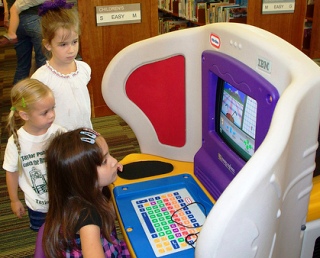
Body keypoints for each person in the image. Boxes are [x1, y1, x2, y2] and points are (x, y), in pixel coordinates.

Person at [43, 128, 131, 257]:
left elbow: (105, 214)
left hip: (110, 247)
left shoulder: (83, 192)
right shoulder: (87, 216)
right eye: (104, 161)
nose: (114, 161)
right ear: (83, 176)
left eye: (109, 154)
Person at [2, 78, 66, 231]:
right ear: (25, 115)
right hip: (38, 206)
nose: (52, 115)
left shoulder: (59, 132)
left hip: (64, 199)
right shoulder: (16, 142)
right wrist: (14, 200)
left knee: (66, 232)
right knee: (43, 236)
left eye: (53, 108)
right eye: (45, 112)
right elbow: (11, 173)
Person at [31, 0, 93, 130]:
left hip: (84, 134)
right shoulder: (41, 78)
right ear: (48, 44)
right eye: (63, 44)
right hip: (59, 141)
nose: (71, 50)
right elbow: (37, 115)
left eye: (74, 42)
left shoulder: (84, 69)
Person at [1, 0, 46, 84]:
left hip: (16, 22)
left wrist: (7, 14)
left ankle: (18, 96)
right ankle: (42, 94)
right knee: (43, 62)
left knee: (22, 65)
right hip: (35, 17)